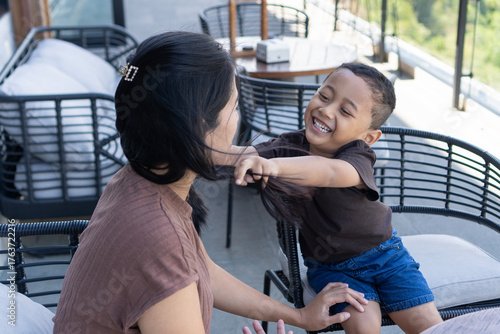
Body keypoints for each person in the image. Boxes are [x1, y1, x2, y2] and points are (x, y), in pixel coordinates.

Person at [52, 31, 368, 334]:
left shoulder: (138, 175)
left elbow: (204, 271)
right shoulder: (161, 240)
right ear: (199, 127)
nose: (238, 117)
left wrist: (298, 316)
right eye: (234, 107)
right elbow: (175, 263)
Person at [229, 62, 444, 334]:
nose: (326, 110)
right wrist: (194, 149)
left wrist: (274, 167)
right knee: (364, 327)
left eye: (344, 110)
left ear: (368, 137)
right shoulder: (288, 146)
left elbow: (330, 172)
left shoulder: (357, 155)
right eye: (324, 96)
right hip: (332, 270)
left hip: (387, 256)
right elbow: (241, 153)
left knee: (428, 326)